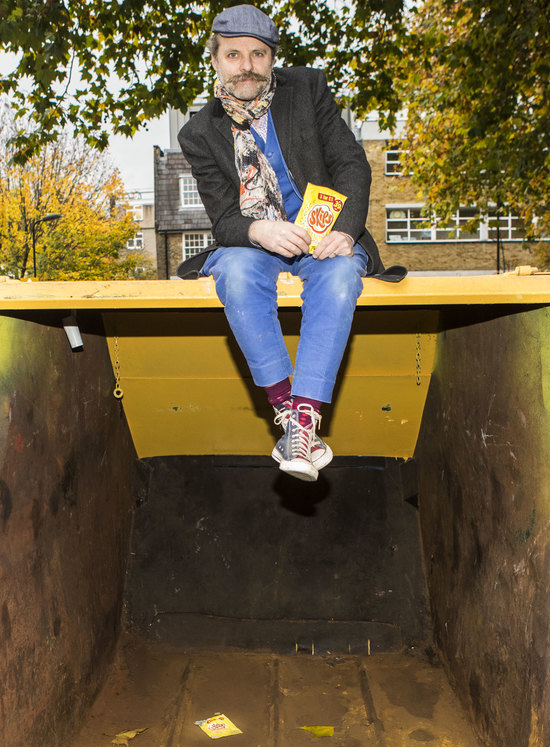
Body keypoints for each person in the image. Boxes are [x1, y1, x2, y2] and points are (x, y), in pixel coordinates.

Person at [177, 4, 389, 483]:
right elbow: (223, 220)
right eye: (233, 55)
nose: (246, 65)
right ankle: (286, 411)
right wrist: (258, 230)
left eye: (257, 54)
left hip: (323, 237)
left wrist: (346, 230)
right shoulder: (198, 133)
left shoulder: (308, 90)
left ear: (272, 59)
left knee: (340, 278)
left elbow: (352, 164)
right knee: (231, 272)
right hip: (255, 243)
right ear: (215, 59)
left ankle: (303, 420)